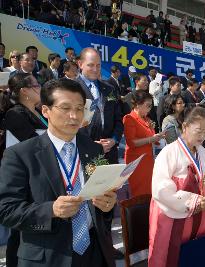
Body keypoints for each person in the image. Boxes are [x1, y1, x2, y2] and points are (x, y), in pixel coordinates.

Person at [0, 79, 117, 267]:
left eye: (79, 108)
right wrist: (51, 210)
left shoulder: (93, 149)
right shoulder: (20, 155)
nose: (74, 116)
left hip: (95, 251)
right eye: (65, 108)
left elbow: (102, 196)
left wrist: (108, 204)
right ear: (45, 111)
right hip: (48, 256)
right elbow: (6, 210)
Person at [148, 107, 205, 267]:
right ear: (185, 127)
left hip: (200, 213)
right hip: (173, 216)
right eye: (198, 131)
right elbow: (161, 191)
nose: (203, 136)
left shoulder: (202, 152)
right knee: (172, 257)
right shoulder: (168, 152)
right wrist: (193, 201)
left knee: (199, 255)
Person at [3, 73, 48, 267]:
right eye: (36, 86)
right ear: (24, 92)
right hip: (24, 176)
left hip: (39, 173)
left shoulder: (37, 112)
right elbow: (33, 144)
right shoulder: (15, 114)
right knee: (19, 230)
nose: (40, 89)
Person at [76, 47, 123, 165]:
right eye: (91, 65)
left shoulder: (109, 89)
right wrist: (90, 144)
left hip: (109, 152)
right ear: (80, 64)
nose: (95, 69)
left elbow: (118, 119)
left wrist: (114, 139)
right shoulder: (70, 88)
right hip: (83, 153)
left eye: (98, 65)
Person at [124, 90, 165, 197]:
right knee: (138, 192)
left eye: (150, 106)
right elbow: (131, 142)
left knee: (149, 191)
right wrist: (152, 139)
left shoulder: (146, 119)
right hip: (136, 161)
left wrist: (157, 136)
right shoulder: (129, 118)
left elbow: (152, 140)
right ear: (137, 105)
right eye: (148, 106)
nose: (149, 109)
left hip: (148, 160)